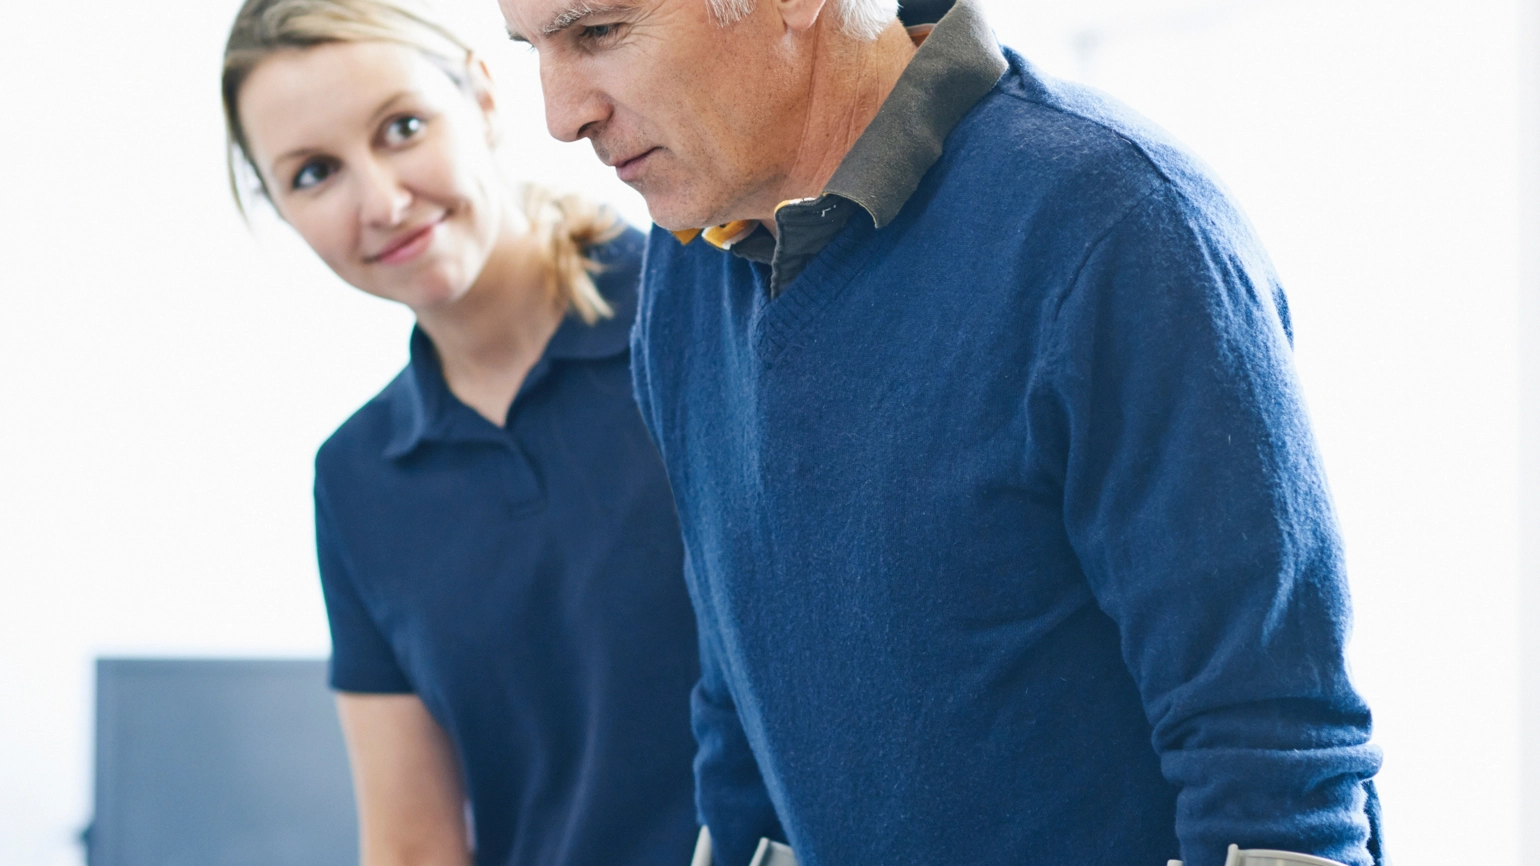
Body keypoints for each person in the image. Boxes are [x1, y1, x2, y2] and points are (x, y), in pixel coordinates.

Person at [497, 1, 1386, 865]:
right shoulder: (690, 264)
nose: (561, 116)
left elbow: (1275, 769)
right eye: (531, 46)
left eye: (599, 32)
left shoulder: (1121, 230)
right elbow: (744, 716)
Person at [219, 2, 701, 864]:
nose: (382, 200)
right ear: (280, 209)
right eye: (315, 173)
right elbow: (413, 848)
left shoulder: (700, 306)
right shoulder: (360, 478)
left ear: (482, 96)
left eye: (402, 128)